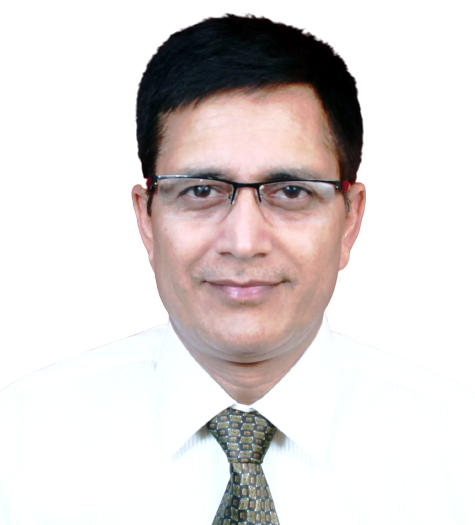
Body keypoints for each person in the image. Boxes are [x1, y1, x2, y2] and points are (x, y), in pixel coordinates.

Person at [1, 15, 474, 525]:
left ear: (350, 221)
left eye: (290, 191)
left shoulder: (459, 442)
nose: (244, 244)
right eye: (201, 190)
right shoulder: (20, 438)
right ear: (146, 220)